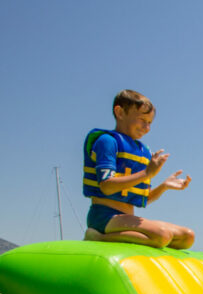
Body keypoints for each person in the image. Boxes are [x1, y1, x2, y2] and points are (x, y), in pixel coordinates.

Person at [82, 90, 194, 249]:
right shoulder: (107, 141)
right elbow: (106, 186)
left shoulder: (142, 151)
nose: (146, 127)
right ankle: (98, 237)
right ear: (120, 112)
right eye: (142, 120)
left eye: (149, 123)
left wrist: (164, 187)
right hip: (104, 217)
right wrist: (147, 173)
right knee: (162, 236)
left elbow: (143, 199)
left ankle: (124, 237)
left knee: (187, 237)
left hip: (126, 219)